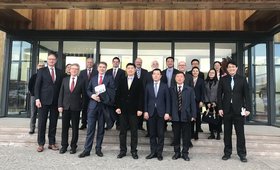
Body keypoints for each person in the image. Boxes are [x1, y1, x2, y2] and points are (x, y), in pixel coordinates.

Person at [78, 62, 115, 158]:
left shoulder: (110, 78)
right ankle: (87, 150)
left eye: (104, 67)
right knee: (90, 129)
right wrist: (92, 95)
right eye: (100, 67)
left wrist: (102, 97)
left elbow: (112, 91)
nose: (102, 68)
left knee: (101, 129)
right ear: (97, 68)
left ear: (106, 69)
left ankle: (98, 149)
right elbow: (88, 90)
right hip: (93, 106)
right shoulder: (93, 78)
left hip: (103, 107)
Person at [217, 60, 251, 162]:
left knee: (240, 133)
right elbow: (219, 95)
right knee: (227, 133)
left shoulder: (242, 79)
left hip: (239, 110)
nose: (231, 69)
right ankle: (227, 153)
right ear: (227, 69)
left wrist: (248, 109)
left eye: (233, 67)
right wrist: (220, 108)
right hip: (226, 110)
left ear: (236, 68)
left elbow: (247, 95)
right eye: (229, 67)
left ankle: (242, 154)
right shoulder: (223, 80)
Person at [35, 52, 63, 152]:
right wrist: (37, 99)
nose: (51, 61)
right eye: (50, 59)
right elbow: (37, 86)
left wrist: (61, 102)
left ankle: (52, 143)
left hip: (55, 102)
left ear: (56, 61)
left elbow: (61, 88)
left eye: (53, 59)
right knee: (42, 123)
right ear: (47, 60)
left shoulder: (60, 72)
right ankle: (41, 144)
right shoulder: (41, 71)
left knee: (53, 123)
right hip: (43, 101)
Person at [115, 63, 144, 159]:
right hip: (122, 110)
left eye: (132, 68)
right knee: (122, 132)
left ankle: (133, 151)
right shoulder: (121, 80)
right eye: (128, 68)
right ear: (126, 70)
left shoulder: (139, 81)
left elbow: (141, 96)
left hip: (134, 111)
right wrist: (117, 107)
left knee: (134, 132)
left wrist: (140, 109)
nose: (130, 69)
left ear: (135, 70)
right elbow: (117, 95)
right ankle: (122, 151)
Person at [58, 64, 85, 154]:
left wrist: (81, 106)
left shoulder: (82, 80)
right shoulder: (65, 80)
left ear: (78, 71)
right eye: (72, 68)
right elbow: (61, 93)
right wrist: (60, 105)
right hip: (65, 107)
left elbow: (84, 96)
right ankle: (64, 146)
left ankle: (73, 146)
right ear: (69, 70)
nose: (74, 70)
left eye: (76, 69)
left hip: (76, 108)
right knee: (64, 128)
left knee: (75, 128)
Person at [144, 69, 170, 161]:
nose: (155, 75)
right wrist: (145, 111)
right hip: (150, 113)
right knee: (152, 134)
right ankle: (153, 152)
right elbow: (145, 100)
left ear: (160, 76)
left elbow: (168, 101)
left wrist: (167, 112)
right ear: (152, 76)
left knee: (160, 134)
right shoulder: (148, 86)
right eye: (154, 74)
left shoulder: (165, 86)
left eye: (157, 74)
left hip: (161, 113)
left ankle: (159, 153)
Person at [170, 72, 196, 161]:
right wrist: (169, 114)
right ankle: (177, 153)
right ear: (175, 78)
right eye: (177, 76)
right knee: (176, 136)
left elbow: (193, 103)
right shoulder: (171, 89)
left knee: (186, 136)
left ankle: (185, 153)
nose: (179, 78)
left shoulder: (189, 89)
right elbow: (169, 103)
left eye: (181, 77)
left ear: (184, 78)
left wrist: (193, 115)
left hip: (186, 116)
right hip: (175, 116)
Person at [106, 57, 125, 130]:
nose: (116, 63)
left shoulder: (122, 72)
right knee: (109, 109)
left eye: (117, 62)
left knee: (118, 108)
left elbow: (123, 83)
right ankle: (109, 124)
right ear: (112, 62)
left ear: (119, 63)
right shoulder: (108, 71)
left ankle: (118, 124)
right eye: (114, 62)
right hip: (109, 93)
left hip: (118, 93)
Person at [79, 58, 97, 130]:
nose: (89, 63)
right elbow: (79, 83)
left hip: (93, 94)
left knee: (93, 109)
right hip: (84, 94)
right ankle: (84, 123)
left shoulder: (96, 72)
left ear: (93, 63)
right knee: (84, 109)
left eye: (91, 62)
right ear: (86, 63)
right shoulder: (82, 72)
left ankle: (92, 124)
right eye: (88, 62)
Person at [204, 68, 222, 140]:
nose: (211, 73)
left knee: (217, 119)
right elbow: (204, 93)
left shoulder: (219, 82)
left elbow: (220, 93)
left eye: (213, 73)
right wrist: (207, 102)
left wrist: (215, 102)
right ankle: (211, 133)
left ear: (215, 74)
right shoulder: (205, 82)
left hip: (216, 103)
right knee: (210, 118)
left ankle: (218, 133)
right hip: (208, 103)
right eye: (210, 72)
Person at [28, 63, 44, 134]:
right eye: (40, 66)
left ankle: (41, 129)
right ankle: (32, 128)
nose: (41, 67)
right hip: (34, 97)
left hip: (43, 97)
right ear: (37, 67)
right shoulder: (34, 76)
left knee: (42, 114)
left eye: (42, 66)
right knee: (33, 113)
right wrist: (33, 94)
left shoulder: (45, 76)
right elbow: (30, 86)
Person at [134, 57, 148, 131]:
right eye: (137, 62)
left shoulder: (145, 72)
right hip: (133, 93)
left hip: (142, 93)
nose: (138, 63)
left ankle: (140, 125)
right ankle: (132, 125)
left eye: (140, 62)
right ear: (135, 63)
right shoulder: (131, 70)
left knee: (140, 109)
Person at [191, 67, 205, 139]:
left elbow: (203, 92)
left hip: (198, 101)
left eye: (196, 71)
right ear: (192, 72)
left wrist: (202, 101)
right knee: (191, 116)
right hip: (190, 101)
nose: (195, 72)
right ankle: (191, 132)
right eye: (194, 71)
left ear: (198, 72)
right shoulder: (189, 80)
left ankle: (197, 132)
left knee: (198, 116)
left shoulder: (201, 81)